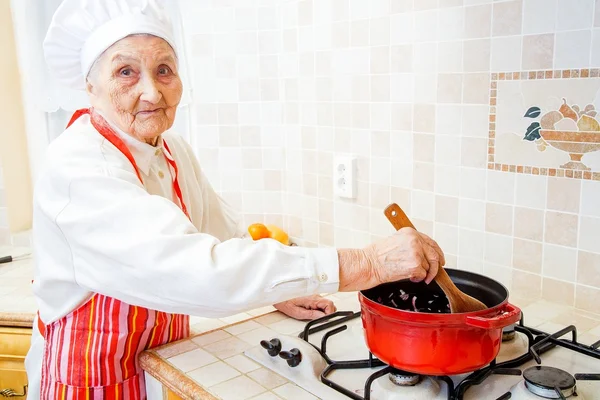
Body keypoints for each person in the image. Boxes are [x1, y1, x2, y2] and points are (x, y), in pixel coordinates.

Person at [25, 0, 444, 398]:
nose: (152, 92)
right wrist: (365, 263)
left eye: (164, 69)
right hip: (90, 376)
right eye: (126, 73)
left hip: (162, 363)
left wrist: (276, 290)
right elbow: (192, 270)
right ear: (90, 87)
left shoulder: (171, 150)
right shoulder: (77, 167)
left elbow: (225, 235)